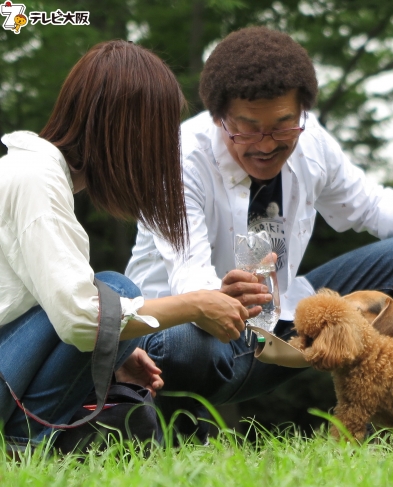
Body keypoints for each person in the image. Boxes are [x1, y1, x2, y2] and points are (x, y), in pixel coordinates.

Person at [125, 26, 393, 436]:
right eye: (248, 128)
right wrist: (223, 296)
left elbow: (370, 203)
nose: (267, 143)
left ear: (301, 114)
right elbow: (189, 274)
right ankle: (172, 430)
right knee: (181, 341)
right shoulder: (179, 156)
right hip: (191, 341)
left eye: (283, 125)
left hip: (282, 324)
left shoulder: (312, 142)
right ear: (220, 117)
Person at [0, 40, 254, 452]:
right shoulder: (36, 180)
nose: (161, 151)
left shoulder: (33, 172)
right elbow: (83, 318)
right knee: (117, 291)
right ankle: (20, 442)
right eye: (157, 132)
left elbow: (46, 307)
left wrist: (117, 354)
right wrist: (196, 303)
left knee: (111, 300)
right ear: (124, 129)